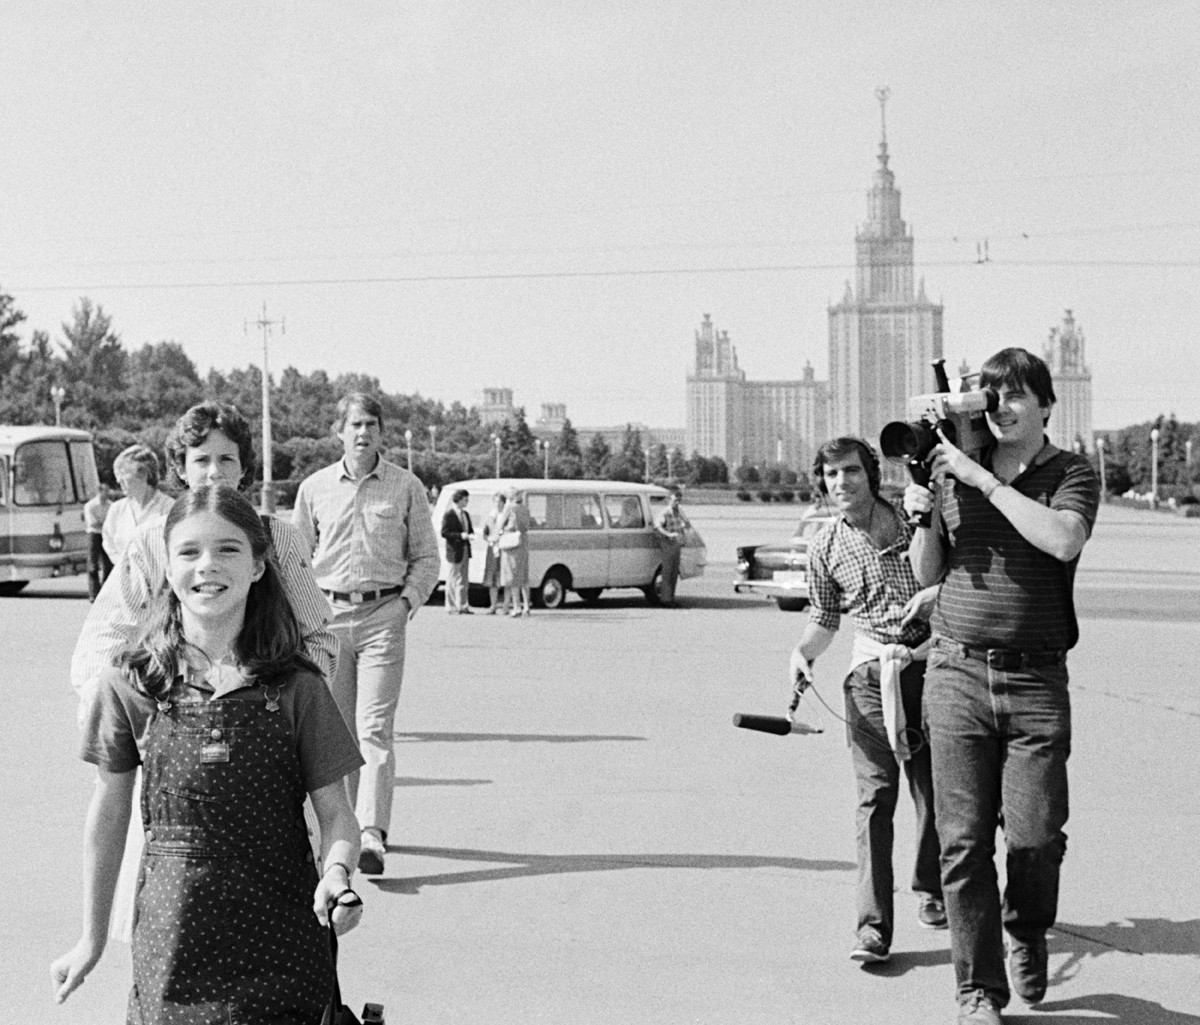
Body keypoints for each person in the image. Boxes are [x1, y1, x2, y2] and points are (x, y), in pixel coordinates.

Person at [51, 485, 365, 1020]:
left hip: (284, 939)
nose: (208, 566)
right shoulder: (129, 683)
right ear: (166, 566)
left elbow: (337, 815)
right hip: (173, 946)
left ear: (260, 566)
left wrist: (337, 873)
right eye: (189, 551)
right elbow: (107, 817)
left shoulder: (298, 686)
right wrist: (92, 938)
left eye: (228, 549)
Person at [71, 402, 339, 945]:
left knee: (281, 899)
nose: (215, 472)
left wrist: (273, 688)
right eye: (201, 461)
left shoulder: (278, 539)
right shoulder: (153, 543)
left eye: (227, 459)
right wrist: (140, 705)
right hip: (176, 741)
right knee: (169, 912)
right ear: (181, 469)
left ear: (244, 468)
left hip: (263, 741)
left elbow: (323, 637)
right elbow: (100, 642)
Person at [903, 348, 1100, 1024]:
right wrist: (924, 509)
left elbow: (1062, 538)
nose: (1003, 407)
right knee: (961, 841)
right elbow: (929, 564)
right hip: (956, 670)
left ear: (1047, 404)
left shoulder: (1071, 472)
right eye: (992, 395)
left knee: (1036, 835)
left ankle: (1026, 927)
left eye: (1017, 394)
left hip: (1036, 678)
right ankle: (977, 989)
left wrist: (979, 479)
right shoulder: (955, 464)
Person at [788, 437, 944, 967]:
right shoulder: (825, 547)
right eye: (831, 476)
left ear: (871, 474)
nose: (841, 484)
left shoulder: (912, 513)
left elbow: (952, 572)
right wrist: (803, 653)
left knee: (936, 793)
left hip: (931, 668)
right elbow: (823, 619)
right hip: (868, 678)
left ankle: (930, 885)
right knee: (874, 800)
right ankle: (874, 928)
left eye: (851, 471)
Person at [292, 392, 440, 876]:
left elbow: (426, 558)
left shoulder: (406, 487)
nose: (362, 433)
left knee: (375, 729)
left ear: (381, 432)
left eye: (371, 424)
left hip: (382, 617)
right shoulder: (314, 489)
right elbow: (295, 558)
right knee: (336, 734)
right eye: (354, 424)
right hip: (329, 619)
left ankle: (373, 834)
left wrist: (405, 605)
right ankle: (344, 830)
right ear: (339, 431)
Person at [101, 445, 174, 567]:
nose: (118, 480)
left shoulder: (169, 507)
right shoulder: (116, 509)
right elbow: (108, 542)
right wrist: (124, 564)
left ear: (144, 474)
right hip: (124, 578)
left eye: (123, 473)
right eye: (117, 474)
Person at [497, 488, 531, 616]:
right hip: (523, 542)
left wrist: (498, 534)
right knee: (524, 576)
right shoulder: (525, 508)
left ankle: (516, 607)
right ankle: (526, 606)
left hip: (511, 542)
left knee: (512, 576)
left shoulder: (510, 508)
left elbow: (500, 524)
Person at [441, 488, 474, 614]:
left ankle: (463, 605)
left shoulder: (465, 514)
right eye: (465, 500)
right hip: (454, 551)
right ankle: (451, 606)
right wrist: (460, 536)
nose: (467, 502)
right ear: (459, 500)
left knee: (464, 579)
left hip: (465, 549)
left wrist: (470, 535)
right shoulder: (449, 515)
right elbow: (444, 532)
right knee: (452, 579)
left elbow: (469, 529)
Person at [653, 486, 685, 606]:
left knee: (674, 572)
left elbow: (683, 526)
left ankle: (671, 598)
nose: (677, 503)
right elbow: (657, 527)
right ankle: (666, 599)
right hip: (668, 543)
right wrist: (668, 534)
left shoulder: (678, 512)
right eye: (675, 500)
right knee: (667, 571)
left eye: (678, 500)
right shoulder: (665, 512)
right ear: (669, 500)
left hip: (677, 544)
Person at [83, 484, 115, 601]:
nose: (107, 494)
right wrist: (105, 523)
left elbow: (113, 521)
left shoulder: (111, 505)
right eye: (105, 492)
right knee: (93, 565)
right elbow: (92, 523)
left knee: (108, 563)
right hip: (94, 535)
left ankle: (105, 592)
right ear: (99, 492)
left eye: (108, 492)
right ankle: (94, 593)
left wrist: (104, 523)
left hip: (106, 535)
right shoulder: (90, 506)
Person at [480, 492, 507, 613]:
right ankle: (493, 605)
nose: (497, 504)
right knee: (492, 578)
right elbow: (485, 534)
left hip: (503, 549)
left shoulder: (506, 516)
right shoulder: (490, 517)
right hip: (492, 549)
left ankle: (506, 605)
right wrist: (489, 538)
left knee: (505, 577)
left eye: (500, 502)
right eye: (495, 502)